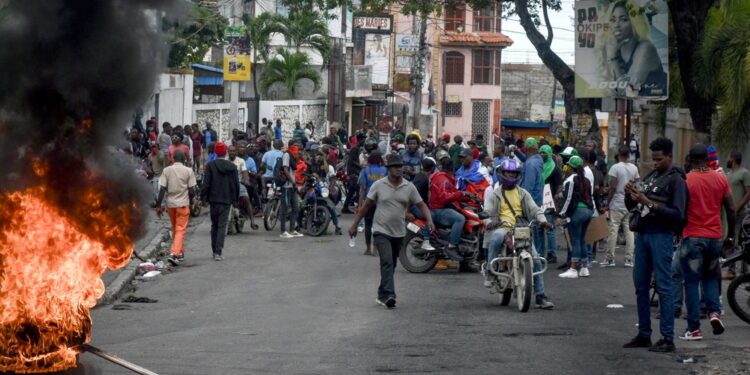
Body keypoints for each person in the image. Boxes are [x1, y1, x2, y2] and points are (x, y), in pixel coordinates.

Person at [622, 137, 686, 353]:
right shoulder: (651, 177)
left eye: (659, 159)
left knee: (664, 287)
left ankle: (667, 338)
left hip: (661, 235)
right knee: (641, 286)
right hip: (644, 234)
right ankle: (644, 334)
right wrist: (629, 193)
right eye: (653, 159)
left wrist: (648, 202)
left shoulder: (676, 180)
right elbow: (632, 204)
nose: (655, 162)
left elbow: (677, 215)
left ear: (669, 156)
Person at [348, 154, 435, 309]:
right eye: (395, 166)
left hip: (399, 232)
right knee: (387, 260)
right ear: (388, 169)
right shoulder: (379, 185)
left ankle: (382, 293)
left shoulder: (408, 187)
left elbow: (421, 205)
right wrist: (354, 225)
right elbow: (366, 206)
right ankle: (389, 295)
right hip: (381, 230)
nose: (398, 169)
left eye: (400, 166)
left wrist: (429, 220)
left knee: (392, 263)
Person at [678, 144, 735, 341]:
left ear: (690, 159)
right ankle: (714, 313)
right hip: (715, 238)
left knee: (692, 282)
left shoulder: (686, 180)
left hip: (693, 238)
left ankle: (694, 329)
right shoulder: (720, 178)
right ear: (706, 158)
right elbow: (731, 209)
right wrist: (730, 236)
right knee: (711, 276)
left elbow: (681, 209)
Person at [483, 158, 555, 309]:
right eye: (508, 172)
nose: (510, 175)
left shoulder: (523, 193)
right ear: (502, 173)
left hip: (522, 229)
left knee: (535, 259)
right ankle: (491, 271)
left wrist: (543, 220)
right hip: (503, 227)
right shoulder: (494, 194)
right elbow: (487, 212)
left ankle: (540, 296)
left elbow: (535, 209)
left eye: (513, 173)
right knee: (496, 236)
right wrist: (488, 222)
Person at [603, 0, 666, 97]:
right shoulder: (613, 48)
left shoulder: (646, 49)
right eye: (613, 20)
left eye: (624, 19)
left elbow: (628, 93)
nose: (616, 25)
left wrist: (613, 59)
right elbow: (606, 88)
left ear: (635, 23)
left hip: (654, 103)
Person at [153, 149, 196, 266]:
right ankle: (174, 253)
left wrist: (158, 205)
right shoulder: (188, 171)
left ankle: (180, 252)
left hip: (170, 204)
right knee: (180, 229)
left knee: (175, 228)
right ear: (184, 159)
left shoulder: (166, 170)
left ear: (173, 159)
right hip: (182, 204)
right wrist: (191, 202)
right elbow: (192, 190)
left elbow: (161, 189)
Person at [200, 142, 239, 261]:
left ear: (215, 152)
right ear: (226, 152)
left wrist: (203, 198)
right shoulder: (232, 167)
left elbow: (206, 184)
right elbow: (235, 185)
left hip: (213, 200)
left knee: (214, 225)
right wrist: (235, 199)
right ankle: (218, 252)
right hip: (226, 200)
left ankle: (214, 251)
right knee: (222, 225)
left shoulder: (211, 165)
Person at [429, 157, 472, 263]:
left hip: (444, 207)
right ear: (452, 168)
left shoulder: (446, 179)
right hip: (439, 209)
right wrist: (461, 193)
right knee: (460, 219)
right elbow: (445, 197)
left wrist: (469, 196)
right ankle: (452, 246)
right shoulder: (443, 180)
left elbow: (454, 193)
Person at [558, 156, 594, 279]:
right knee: (583, 240)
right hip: (588, 211)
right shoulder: (586, 180)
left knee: (575, 240)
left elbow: (567, 199)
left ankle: (573, 268)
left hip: (577, 213)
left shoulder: (570, 180)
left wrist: (561, 215)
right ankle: (584, 268)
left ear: (570, 167)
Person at [604, 145, 639, 267]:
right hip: (629, 203)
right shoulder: (634, 168)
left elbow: (613, 187)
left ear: (619, 155)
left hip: (617, 202)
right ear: (628, 155)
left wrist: (607, 203)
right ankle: (629, 259)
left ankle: (610, 258)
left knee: (613, 230)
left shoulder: (615, 167)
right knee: (629, 231)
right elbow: (635, 183)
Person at [305, 149, 342, 235]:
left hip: (323, 188)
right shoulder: (311, 164)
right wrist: (311, 175)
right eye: (318, 155)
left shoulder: (326, 165)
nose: (319, 157)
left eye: (321, 155)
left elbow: (327, 172)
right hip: (312, 187)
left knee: (331, 207)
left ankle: (337, 226)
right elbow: (306, 175)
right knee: (304, 204)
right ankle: (298, 224)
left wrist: (324, 160)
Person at [726, 151, 750, 279]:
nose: (727, 160)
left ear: (733, 159)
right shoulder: (728, 174)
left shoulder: (744, 173)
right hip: (729, 214)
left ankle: (742, 272)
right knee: (730, 240)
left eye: (728, 158)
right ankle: (733, 270)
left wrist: (737, 208)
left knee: (739, 242)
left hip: (740, 214)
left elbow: (748, 193)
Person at [358, 151, 388, 256]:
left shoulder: (365, 171)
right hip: (381, 201)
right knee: (378, 226)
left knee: (368, 225)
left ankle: (367, 248)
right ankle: (375, 248)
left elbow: (363, 189)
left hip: (369, 201)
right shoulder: (385, 170)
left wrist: (360, 204)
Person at [520, 138, 545, 257]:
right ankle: (539, 254)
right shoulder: (538, 161)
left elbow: (527, 187)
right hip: (538, 198)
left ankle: (535, 256)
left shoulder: (530, 164)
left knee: (531, 230)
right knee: (537, 229)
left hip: (531, 200)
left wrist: (522, 201)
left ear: (526, 149)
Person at [539, 145, 563, 263]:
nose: (542, 155)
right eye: (541, 152)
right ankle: (541, 253)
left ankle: (552, 254)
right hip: (539, 200)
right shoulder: (539, 167)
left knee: (550, 228)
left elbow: (559, 186)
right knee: (539, 227)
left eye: (544, 153)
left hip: (549, 202)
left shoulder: (555, 169)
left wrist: (556, 199)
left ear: (549, 154)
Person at [279, 140, 304, 239]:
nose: (296, 148)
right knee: (284, 209)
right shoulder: (287, 155)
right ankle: (283, 231)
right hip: (286, 186)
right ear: (290, 146)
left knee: (295, 208)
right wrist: (292, 181)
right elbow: (285, 169)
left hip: (292, 186)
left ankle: (292, 230)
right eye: (295, 146)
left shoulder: (294, 156)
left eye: (297, 146)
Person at [342, 136, 366, 214]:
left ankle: (345, 207)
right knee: (359, 190)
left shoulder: (357, 148)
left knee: (351, 191)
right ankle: (359, 208)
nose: (364, 142)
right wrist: (360, 166)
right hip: (353, 172)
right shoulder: (355, 149)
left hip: (353, 172)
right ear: (361, 140)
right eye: (364, 140)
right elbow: (352, 161)